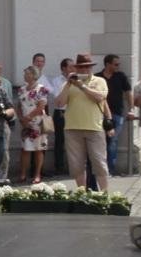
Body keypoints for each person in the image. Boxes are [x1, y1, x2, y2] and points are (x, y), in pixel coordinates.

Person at [55, 53, 109, 191]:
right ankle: (82, 193)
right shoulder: (69, 83)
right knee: (76, 165)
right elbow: (60, 103)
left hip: (94, 127)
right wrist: (68, 84)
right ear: (76, 68)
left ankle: (104, 193)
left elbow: (99, 98)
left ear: (91, 68)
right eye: (81, 67)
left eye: (87, 67)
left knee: (99, 162)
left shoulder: (99, 81)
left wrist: (82, 87)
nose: (84, 70)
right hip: (72, 128)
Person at [17, 66, 49, 184]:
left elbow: (41, 106)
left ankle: (37, 175)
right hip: (25, 124)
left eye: (27, 73)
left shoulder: (41, 89)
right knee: (25, 149)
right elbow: (19, 105)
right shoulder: (21, 89)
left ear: (34, 75)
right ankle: (23, 174)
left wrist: (28, 117)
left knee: (38, 149)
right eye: (25, 73)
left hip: (37, 123)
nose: (25, 75)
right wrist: (21, 118)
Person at [100, 54, 131, 174]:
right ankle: (100, 169)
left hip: (117, 114)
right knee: (99, 141)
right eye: (116, 64)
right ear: (108, 64)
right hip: (100, 114)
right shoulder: (98, 77)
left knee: (113, 141)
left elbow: (128, 93)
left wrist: (131, 109)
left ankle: (111, 169)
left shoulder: (120, 76)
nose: (118, 66)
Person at [47, 57, 72, 175]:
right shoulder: (57, 80)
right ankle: (59, 167)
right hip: (61, 112)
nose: (73, 69)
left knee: (74, 140)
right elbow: (58, 99)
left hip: (74, 112)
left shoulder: (77, 79)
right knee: (60, 141)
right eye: (70, 67)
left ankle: (73, 166)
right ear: (63, 68)